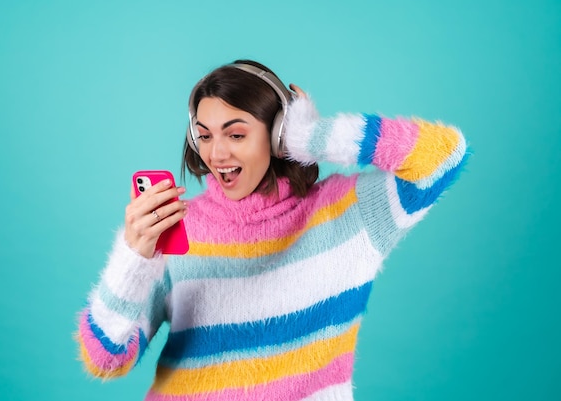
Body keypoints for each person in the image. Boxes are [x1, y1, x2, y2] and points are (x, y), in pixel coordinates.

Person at [76, 59, 468, 400]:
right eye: (205, 135)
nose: (217, 154)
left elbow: (443, 157)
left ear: (277, 136)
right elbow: (105, 358)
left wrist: (314, 137)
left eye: (236, 134)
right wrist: (133, 256)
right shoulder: (176, 230)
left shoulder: (346, 215)